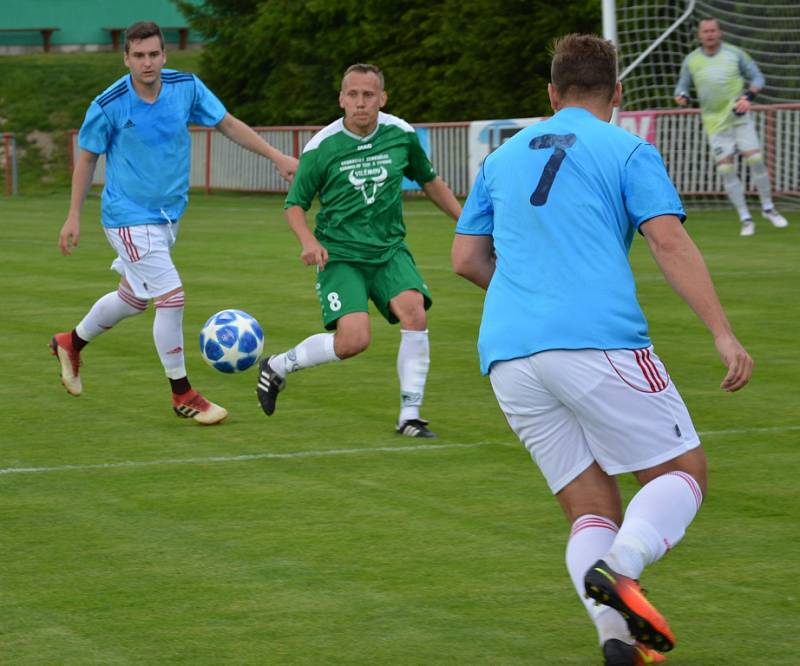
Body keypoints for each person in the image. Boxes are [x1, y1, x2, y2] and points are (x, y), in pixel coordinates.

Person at [452, 34, 752, 666]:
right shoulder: (628, 148)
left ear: (551, 93)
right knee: (681, 472)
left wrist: (524, 294)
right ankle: (620, 571)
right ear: (615, 94)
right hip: (596, 341)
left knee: (591, 508)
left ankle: (617, 640)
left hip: (507, 354)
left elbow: (466, 261)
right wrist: (722, 332)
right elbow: (667, 242)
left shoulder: (500, 158)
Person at [52, 21, 298, 425]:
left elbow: (228, 124)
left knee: (133, 299)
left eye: (153, 54)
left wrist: (276, 157)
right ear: (126, 58)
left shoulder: (187, 87)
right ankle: (182, 393)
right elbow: (87, 158)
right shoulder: (109, 103)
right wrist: (73, 215)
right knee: (172, 296)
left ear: (164, 55)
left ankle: (70, 342)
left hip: (167, 216)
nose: (147, 63)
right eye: (138, 56)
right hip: (127, 217)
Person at [256, 63, 462, 438]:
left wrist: (464, 223)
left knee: (414, 311)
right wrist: (308, 241)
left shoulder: (401, 135)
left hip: (389, 250)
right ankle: (278, 366)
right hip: (340, 255)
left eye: (369, 95)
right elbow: (295, 204)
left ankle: (410, 416)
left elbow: (430, 181)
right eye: (352, 95)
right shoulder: (322, 147)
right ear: (341, 99)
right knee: (354, 341)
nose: (360, 103)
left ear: (382, 98)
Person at [674, 17, 789, 236]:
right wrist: (681, 97)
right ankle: (745, 218)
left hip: (738, 117)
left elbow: (757, 78)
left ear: (720, 32)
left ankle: (768, 207)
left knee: (755, 159)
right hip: (714, 123)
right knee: (726, 169)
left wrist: (748, 96)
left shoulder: (735, 54)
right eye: (705, 31)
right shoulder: (691, 60)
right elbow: (682, 87)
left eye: (713, 30)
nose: (709, 34)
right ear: (700, 35)